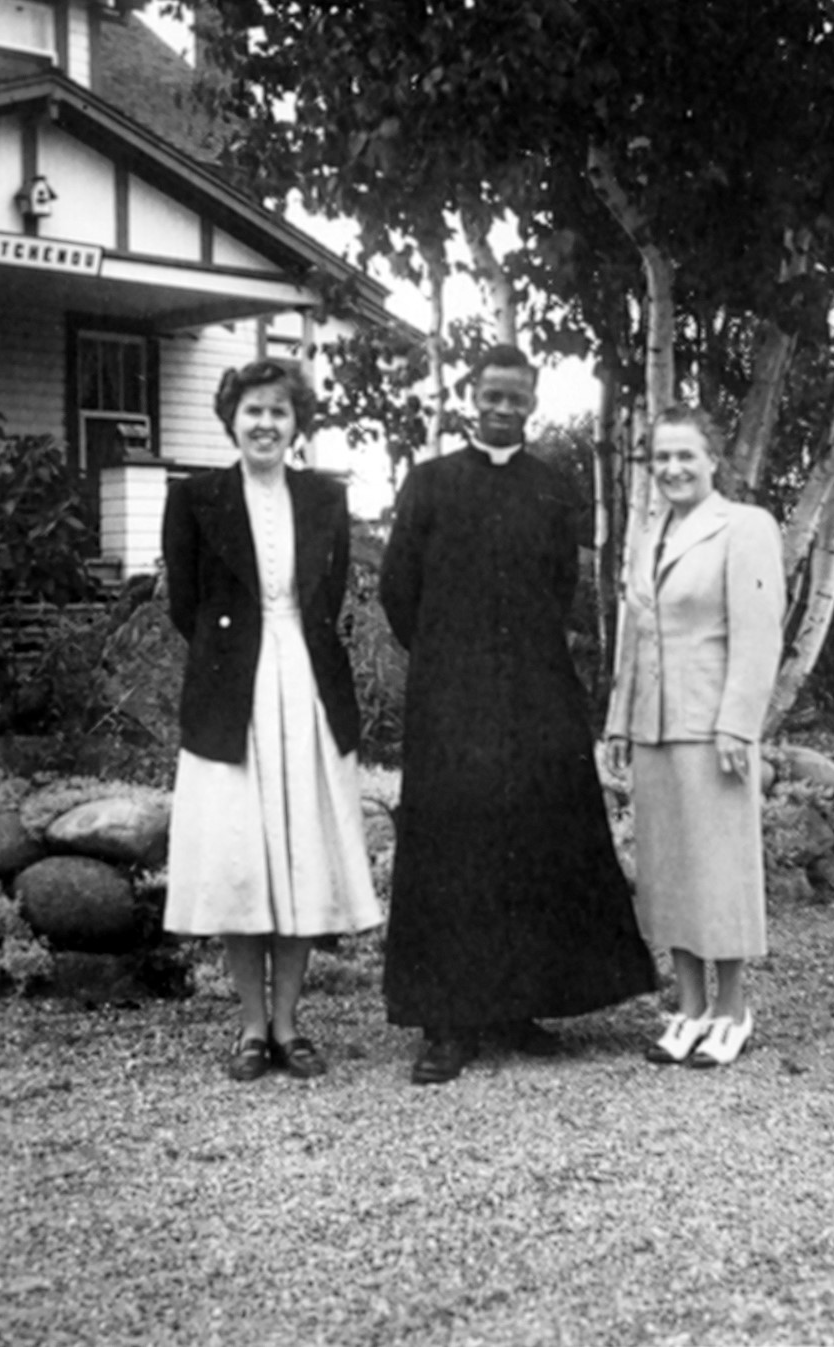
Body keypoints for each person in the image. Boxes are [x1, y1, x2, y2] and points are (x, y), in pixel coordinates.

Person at [379, 344, 656, 1085]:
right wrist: (449, 660)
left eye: (518, 398)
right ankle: (446, 1020)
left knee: (532, 840)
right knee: (452, 848)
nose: (504, 408)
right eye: (492, 395)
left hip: (535, 691)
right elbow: (399, 591)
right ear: (471, 397)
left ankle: (517, 1005)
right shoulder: (431, 483)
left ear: (532, 404)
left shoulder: (551, 486)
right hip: (451, 698)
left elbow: (560, 586)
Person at [162, 359, 382, 1082]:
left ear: (297, 424)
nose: (265, 424)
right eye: (253, 410)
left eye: (279, 412)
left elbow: (330, 595)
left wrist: (288, 653)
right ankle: (252, 1028)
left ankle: (289, 1024)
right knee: (241, 858)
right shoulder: (194, 498)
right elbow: (186, 605)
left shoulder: (324, 497)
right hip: (232, 691)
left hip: (307, 686)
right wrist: (239, 659)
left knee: (301, 854)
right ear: (232, 419)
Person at [604, 404, 784, 1067]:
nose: (672, 468)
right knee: (669, 872)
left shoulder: (744, 526)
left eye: (686, 454)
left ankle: (732, 1009)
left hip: (714, 730)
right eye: (661, 457)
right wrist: (620, 719)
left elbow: (758, 632)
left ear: (713, 460)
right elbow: (636, 634)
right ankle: (689, 1006)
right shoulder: (649, 534)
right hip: (654, 726)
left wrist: (738, 722)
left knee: (719, 870)